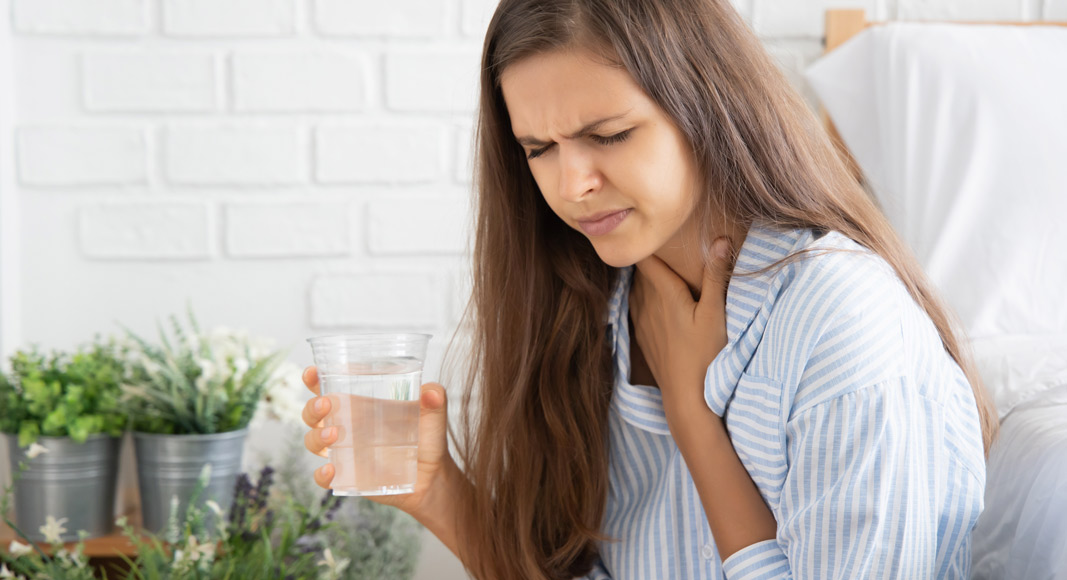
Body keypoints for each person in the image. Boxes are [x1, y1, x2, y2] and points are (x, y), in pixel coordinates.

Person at [300, 0, 998, 578]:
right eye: (538, 150)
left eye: (608, 135)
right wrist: (437, 492)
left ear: (707, 104)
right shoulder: (602, 303)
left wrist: (695, 425)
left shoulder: (839, 319)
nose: (571, 186)